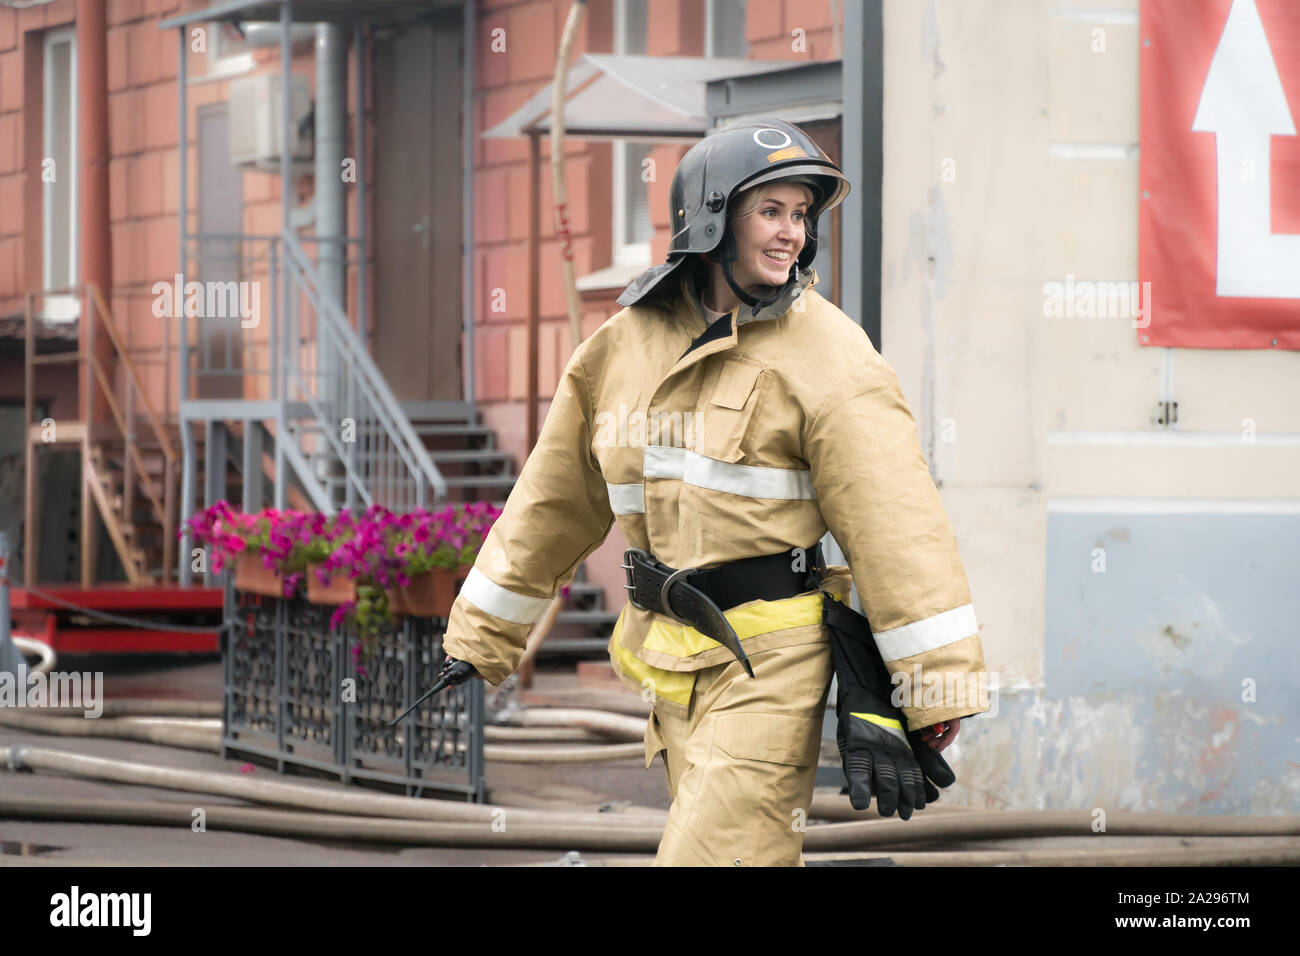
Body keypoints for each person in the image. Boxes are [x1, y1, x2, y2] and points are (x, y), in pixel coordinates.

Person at [439, 117, 991, 866]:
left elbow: (897, 524)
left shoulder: (830, 355)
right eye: (772, 211)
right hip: (667, 661)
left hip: (772, 666)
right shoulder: (623, 344)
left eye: (801, 215)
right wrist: (482, 635)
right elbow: (554, 499)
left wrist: (934, 686)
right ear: (712, 219)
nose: (793, 234)